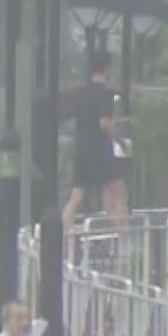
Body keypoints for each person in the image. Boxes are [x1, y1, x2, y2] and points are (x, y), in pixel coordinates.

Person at [61, 50, 128, 232]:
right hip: (101, 151)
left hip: (81, 151)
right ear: (107, 68)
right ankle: (122, 243)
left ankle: (62, 237)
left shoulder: (80, 94)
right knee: (119, 194)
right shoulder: (105, 94)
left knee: (76, 197)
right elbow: (105, 124)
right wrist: (120, 141)